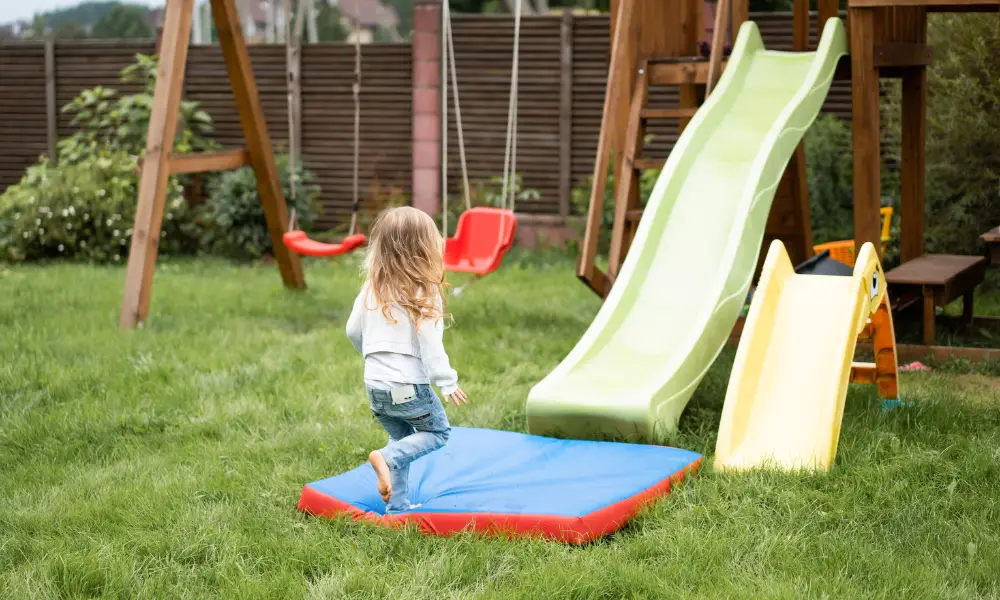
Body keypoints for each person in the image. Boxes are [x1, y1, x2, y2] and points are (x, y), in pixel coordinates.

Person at [346, 206, 469, 514]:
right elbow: (431, 345)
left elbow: (352, 330)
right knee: (437, 433)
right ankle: (386, 459)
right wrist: (447, 381)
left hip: (375, 388)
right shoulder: (424, 291)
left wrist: (372, 358)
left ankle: (397, 506)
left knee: (400, 439)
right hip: (408, 388)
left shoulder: (372, 287)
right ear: (425, 248)